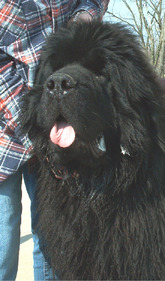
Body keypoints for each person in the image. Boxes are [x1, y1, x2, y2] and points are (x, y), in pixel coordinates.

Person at [0, 0, 109, 280]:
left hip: (59, 127)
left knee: (54, 238)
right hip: (7, 130)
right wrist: (34, 117)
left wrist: (86, 16)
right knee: (3, 236)